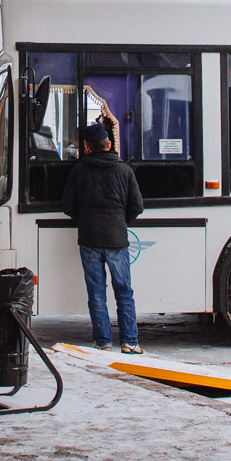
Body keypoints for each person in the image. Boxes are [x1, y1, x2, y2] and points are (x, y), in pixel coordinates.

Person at [60, 120, 145, 353]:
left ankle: (103, 341)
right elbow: (137, 206)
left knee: (96, 292)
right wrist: (120, 223)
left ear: (87, 147)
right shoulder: (124, 170)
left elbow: (68, 205)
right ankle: (130, 341)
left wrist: (85, 221)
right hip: (116, 239)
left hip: (89, 239)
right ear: (108, 145)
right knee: (124, 291)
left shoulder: (79, 170)